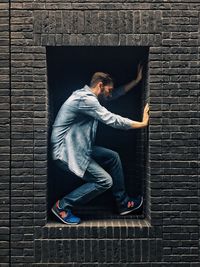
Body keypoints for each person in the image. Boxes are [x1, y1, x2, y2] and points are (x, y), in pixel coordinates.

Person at [51, 64, 149, 224]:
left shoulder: (90, 96)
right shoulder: (85, 99)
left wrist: (136, 81)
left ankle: (123, 204)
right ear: (100, 86)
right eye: (108, 90)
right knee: (105, 181)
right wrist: (142, 124)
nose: (109, 95)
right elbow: (112, 120)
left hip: (78, 148)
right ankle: (62, 206)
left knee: (113, 157)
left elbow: (115, 94)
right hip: (66, 151)